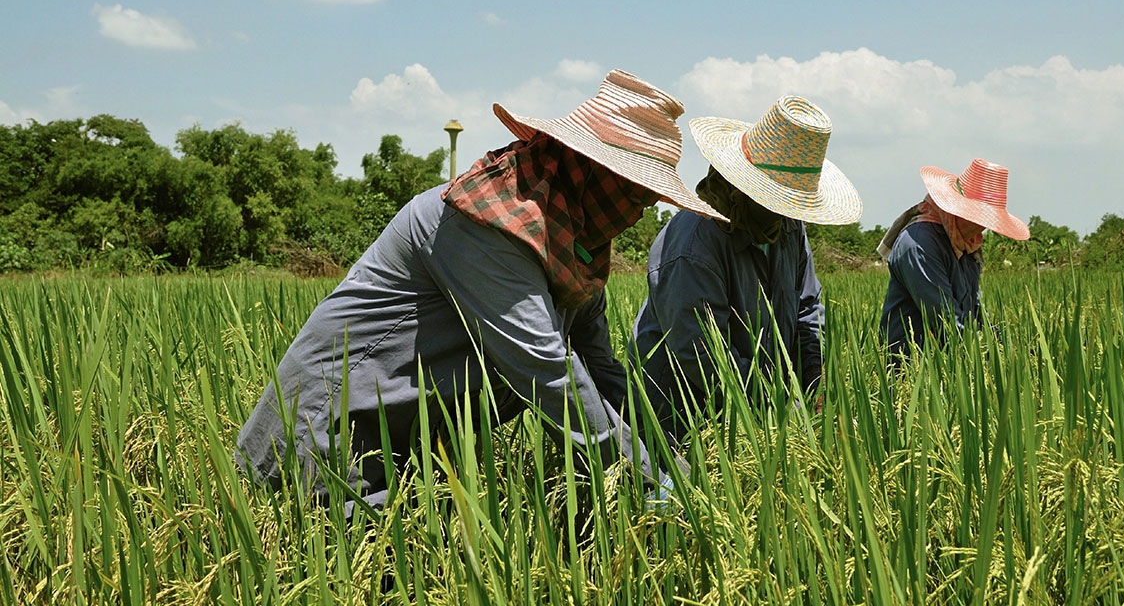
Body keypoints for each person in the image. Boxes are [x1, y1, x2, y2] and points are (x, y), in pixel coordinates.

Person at [235, 70, 723, 511]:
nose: (638, 213)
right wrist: (645, 477)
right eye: (634, 194)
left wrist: (667, 455)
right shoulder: (491, 225)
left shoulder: (574, 251)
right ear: (591, 172)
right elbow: (548, 371)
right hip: (330, 436)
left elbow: (598, 369)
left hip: (405, 449)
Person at [629, 96, 861, 443]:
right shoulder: (695, 243)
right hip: (680, 419)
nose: (786, 213)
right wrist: (781, 411)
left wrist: (813, 385)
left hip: (760, 409)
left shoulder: (788, 229)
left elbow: (806, 311)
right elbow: (704, 356)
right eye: (779, 200)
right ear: (743, 188)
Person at [878, 158, 1029, 361]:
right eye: (980, 218)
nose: (982, 228)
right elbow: (946, 319)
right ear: (958, 209)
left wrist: (1008, 349)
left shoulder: (967, 244)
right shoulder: (919, 243)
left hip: (953, 364)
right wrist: (990, 358)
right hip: (911, 368)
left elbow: (975, 309)